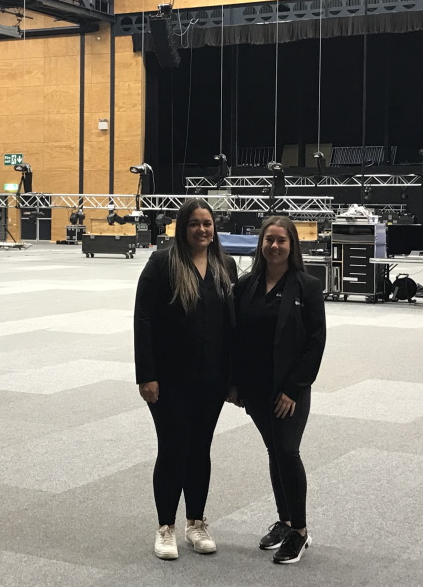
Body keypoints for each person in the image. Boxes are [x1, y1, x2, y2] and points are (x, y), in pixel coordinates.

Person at [134, 198, 238, 560]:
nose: (202, 230)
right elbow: (143, 319)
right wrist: (146, 375)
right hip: (169, 379)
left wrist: (233, 377)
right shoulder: (162, 263)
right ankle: (166, 527)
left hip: (211, 378)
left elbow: (232, 326)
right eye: (194, 223)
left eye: (207, 223)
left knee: (200, 449)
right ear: (182, 227)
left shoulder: (225, 265)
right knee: (173, 448)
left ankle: (196, 522)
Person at [230, 216, 326, 565]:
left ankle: (299, 530)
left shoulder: (307, 286)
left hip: (290, 390)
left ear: (292, 245)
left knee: (287, 450)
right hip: (255, 389)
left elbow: (315, 342)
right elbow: (235, 337)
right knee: (274, 450)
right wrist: (234, 383)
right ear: (261, 244)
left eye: (281, 240)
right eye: (268, 239)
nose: (274, 246)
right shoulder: (245, 285)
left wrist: (294, 389)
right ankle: (284, 522)